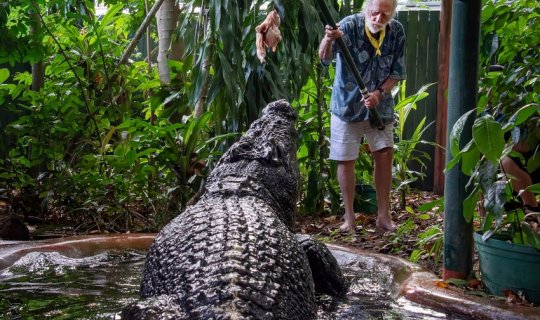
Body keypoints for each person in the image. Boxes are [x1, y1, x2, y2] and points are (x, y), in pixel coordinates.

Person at [318, 0, 405, 232]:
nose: (378, 19)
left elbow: (397, 72)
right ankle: (349, 218)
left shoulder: (396, 32)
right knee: (346, 158)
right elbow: (324, 58)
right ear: (366, 9)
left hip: (380, 107)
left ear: (392, 12)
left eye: (384, 15)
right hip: (347, 106)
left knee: (385, 154)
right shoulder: (348, 26)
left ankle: (383, 216)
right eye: (374, 13)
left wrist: (379, 93)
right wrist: (328, 38)